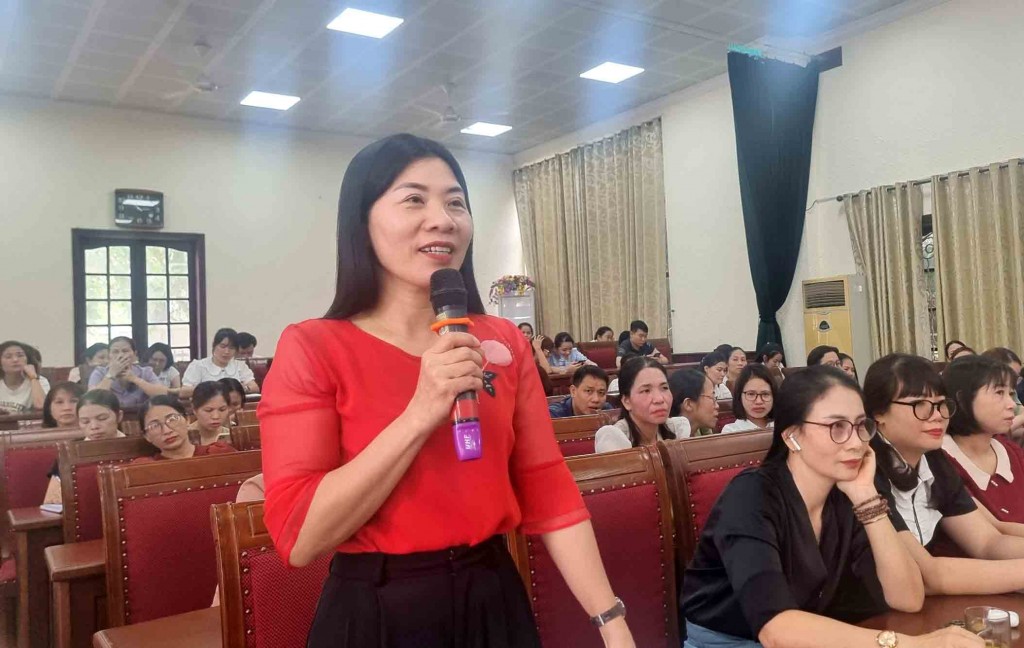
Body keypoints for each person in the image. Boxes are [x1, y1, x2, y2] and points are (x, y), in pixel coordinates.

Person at [258, 134, 634, 647]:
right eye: (414, 199)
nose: (443, 219)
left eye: (456, 202)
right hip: (377, 611)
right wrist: (421, 413)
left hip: (492, 597)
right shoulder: (314, 347)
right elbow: (300, 537)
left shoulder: (502, 341)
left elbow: (547, 485)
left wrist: (611, 622)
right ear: (361, 222)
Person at [679, 366, 979, 648]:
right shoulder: (751, 495)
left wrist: (866, 498)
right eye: (837, 426)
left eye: (861, 426)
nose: (856, 442)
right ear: (792, 436)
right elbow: (776, 629)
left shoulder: (846, 492)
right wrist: (909, 644)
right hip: (731, 641)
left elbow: (908, 598)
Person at [865, 354, 1024, 595]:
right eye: (919, 405)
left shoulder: (933, 459)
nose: (937, 415)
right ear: (879, 413)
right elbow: (927, 574)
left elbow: (987, 542)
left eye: (940, 404)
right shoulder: (866, 472)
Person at [942, 356, 1024, 525]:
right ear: (962, 399)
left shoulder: (1011, 451)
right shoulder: (942, 460)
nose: (1012, 404)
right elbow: (995, 531)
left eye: (1010, 394)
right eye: (999, 393)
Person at [42, 389, 128, 507]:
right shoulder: (69, 453)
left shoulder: (139, 447)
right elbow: (52, 502)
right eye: (85, 421)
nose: (94, 426)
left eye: (102, 418)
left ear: (119, 416)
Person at [595, 357, 686, 453]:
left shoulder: (676, 429)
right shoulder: (613, 440)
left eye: (664, 388)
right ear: (626, 401)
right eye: (646, 390)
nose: (659, 399)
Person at [134, 395, 236, 463]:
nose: (167, 431)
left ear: (187, 419)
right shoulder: (143, 469)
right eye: (154, 426)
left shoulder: (219, 454)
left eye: (172, 419)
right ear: (146, 436)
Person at [89, 336, 168, 408]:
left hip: (139, 415)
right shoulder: (99, 372)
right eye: (115, 352)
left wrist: (135, 379)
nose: (120, 355)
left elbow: (162, 395)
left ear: (134, 354)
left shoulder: (146, 371)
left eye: (125, 351)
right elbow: (92, 400)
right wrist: (111, 374)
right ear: (109, 355)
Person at [182, 328, 260, 395]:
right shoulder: (198, 366)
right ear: (214, 345)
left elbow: (255, 388)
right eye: (222, 346)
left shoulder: (240, 366)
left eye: (231, 348)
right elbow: (184, 392)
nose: (227, 352)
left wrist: (244, 389)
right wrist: (215, 389)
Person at [980, 347, 1024, 438]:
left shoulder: (1011, 390)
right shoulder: (983, 393)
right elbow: (997, 432)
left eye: (1017, 377)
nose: (1014, 381)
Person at [721, 364, 776, 434]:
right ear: (739, 396)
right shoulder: (730, 431)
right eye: (751, 394)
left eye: (765, 394)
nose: (759, 401)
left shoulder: (783, 426)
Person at [0, 340, 49, 414]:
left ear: (28, 360)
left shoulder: (39, 381)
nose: (15, 360)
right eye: (8, 357)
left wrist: (33, 377)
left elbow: (41, 405)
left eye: (20, 355)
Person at [549, 365, 614, 419]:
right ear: (573, 391)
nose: (596, 399)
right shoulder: (554, 415)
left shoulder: (607, 410)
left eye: (601, 393)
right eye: (588, 391)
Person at [669, 369, 719, 437]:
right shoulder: (669, 439)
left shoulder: (703, 433)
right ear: (688, 404)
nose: (717, 406)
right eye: (712, 398)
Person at [188, 381, 232, 446]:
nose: (216, 416)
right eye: (208, 410)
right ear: (194, 409)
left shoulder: (233, 437)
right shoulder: (183, 437)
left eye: (222, 409)